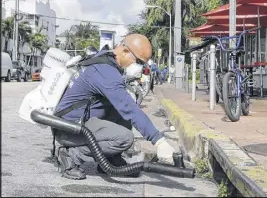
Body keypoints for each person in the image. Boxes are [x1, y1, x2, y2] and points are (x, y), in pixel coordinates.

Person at [53, 34, 176, 180]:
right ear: (124, 51)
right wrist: (159, 141)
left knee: (122, 115)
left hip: (81, 120)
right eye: (138, 61)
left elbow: (125, 107)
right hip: (69, 128)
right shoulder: (105, 71)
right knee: (124, 138)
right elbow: (129, 108)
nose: (139, 67)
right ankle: (72, 155)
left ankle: (110, 159)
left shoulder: (106, 61)